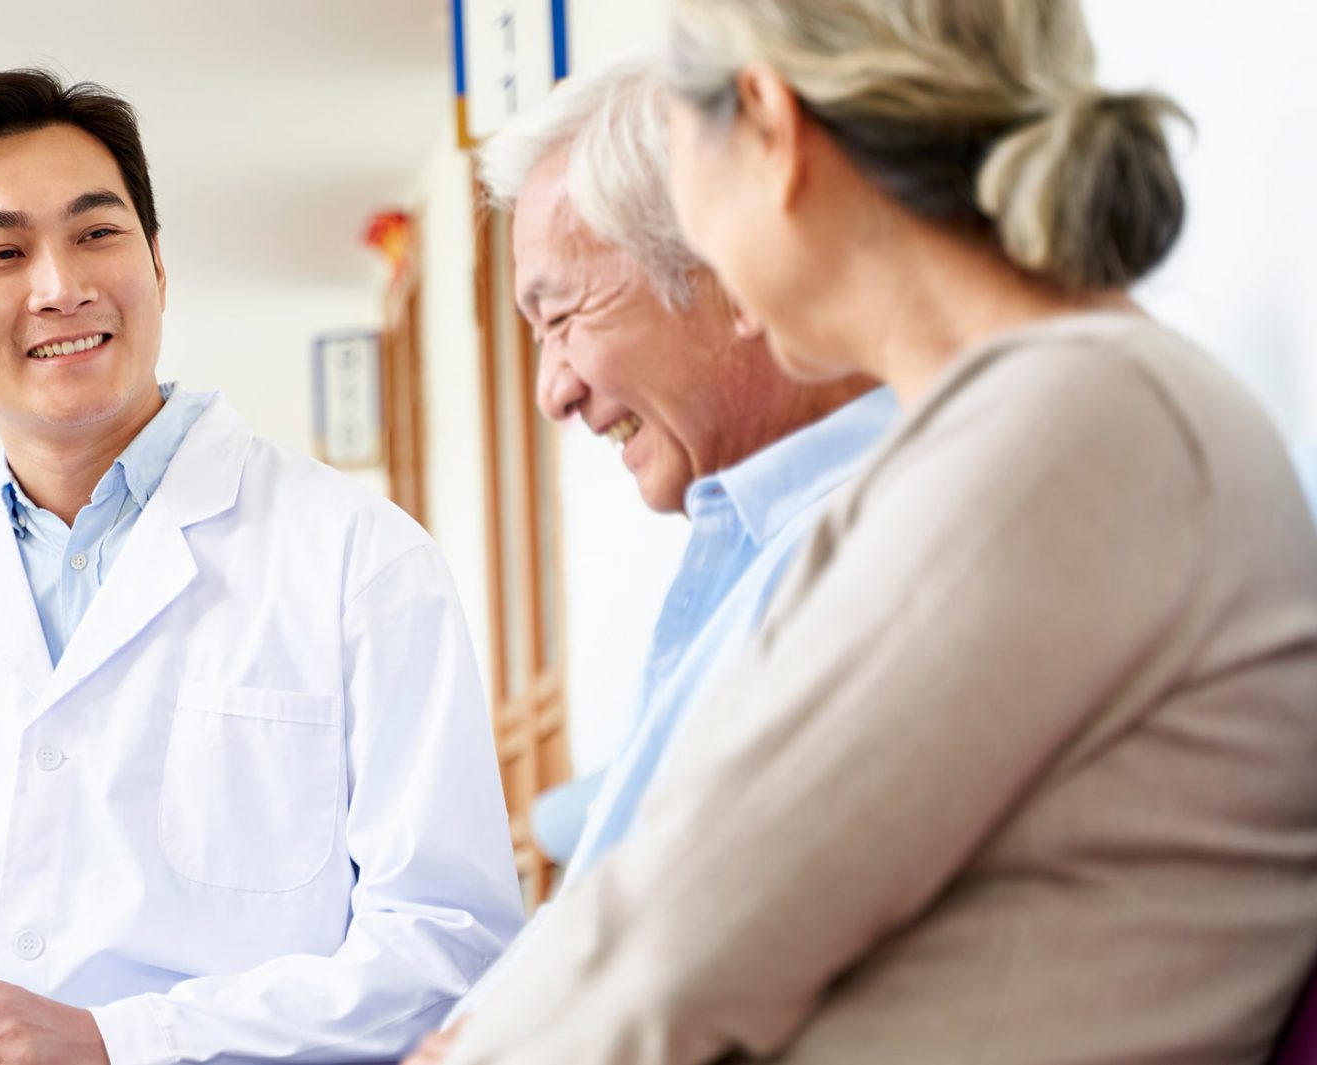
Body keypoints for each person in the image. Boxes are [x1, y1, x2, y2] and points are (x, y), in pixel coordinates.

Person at [443, 0, 1317, 1061]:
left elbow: (673, 944)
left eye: (683, 162)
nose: (697, 241)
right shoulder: (1041, 416)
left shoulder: (1071, 419)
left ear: (767, 127)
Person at [0, 69, 524, 1065]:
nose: (61, 286)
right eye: (2, 251)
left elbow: (449, 946)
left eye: (97, 234)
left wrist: (120, 1042)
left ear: (159, 266)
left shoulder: (358, 561)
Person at [395, 57, 895, 1065]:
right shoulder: (750, 544)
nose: (553, 392)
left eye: (563, 318)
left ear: (728, 265)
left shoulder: (889, 535)